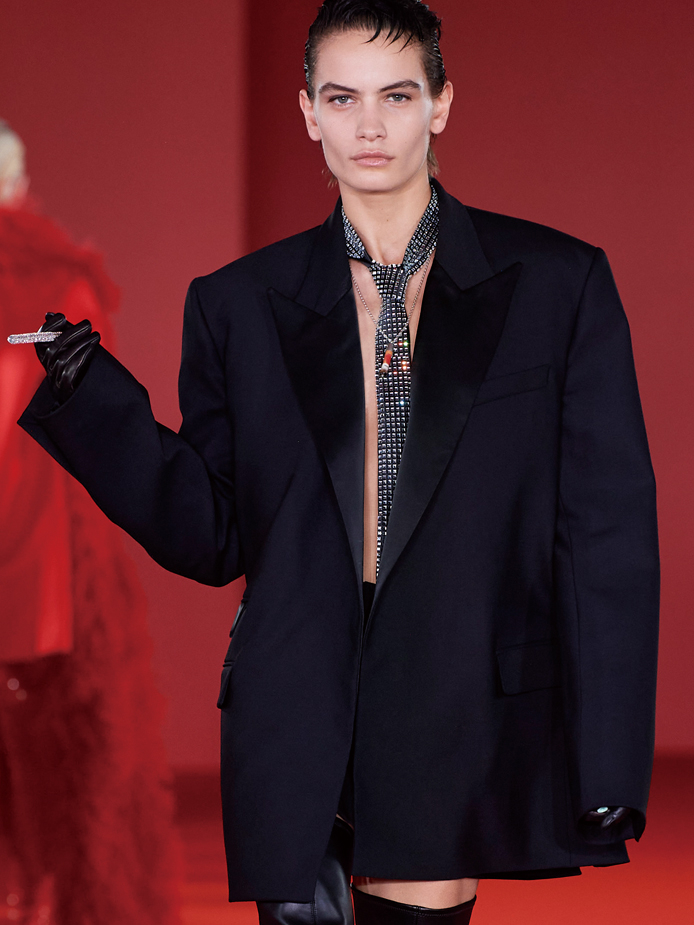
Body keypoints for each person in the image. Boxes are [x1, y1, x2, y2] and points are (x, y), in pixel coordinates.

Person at [15, 1, 660, 923]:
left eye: (396, 95)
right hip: (296, 698)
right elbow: (215, 534)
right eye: (342, 97)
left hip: (457, 696)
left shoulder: (558, 286)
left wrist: (608, 764)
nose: (369, 126)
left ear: (440, 104)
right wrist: (95, 405)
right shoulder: (238, 304)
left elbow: (606, 542)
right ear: (309, 111)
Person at [0, 120, 181, 925]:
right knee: (58, 767)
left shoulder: (52, 285)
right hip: (45, 568)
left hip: (34, 559)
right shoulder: (58, 284)